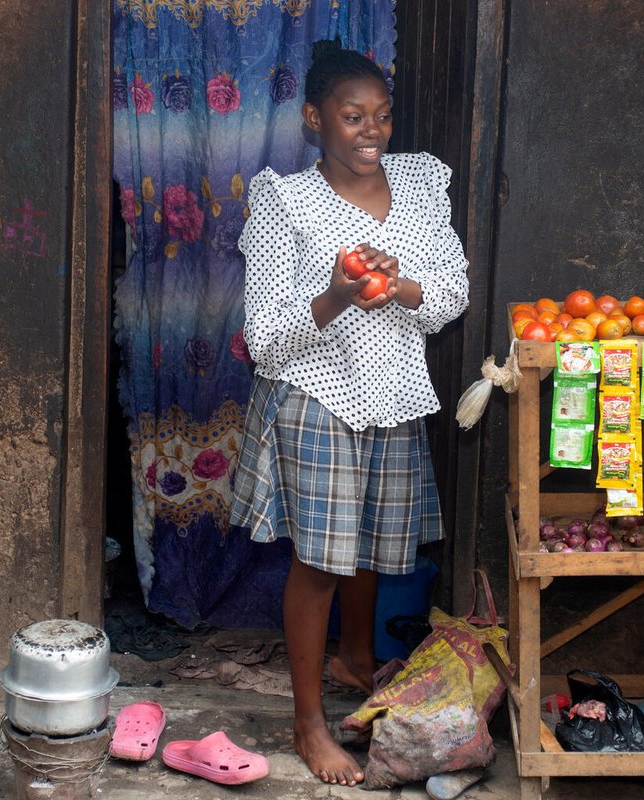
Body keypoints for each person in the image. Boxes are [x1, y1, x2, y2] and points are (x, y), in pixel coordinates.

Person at [229, 38, 469, 786]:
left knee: (370, 544)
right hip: (315, 394)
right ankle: (307, 725)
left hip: (394, 389)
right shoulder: (284, 199)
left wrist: (399, 288)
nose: (372, 130)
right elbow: (263, 337)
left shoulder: (424, 184)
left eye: (383, 116)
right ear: (314, 119)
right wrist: (336, 293)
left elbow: (453, 292)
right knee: (321, 559)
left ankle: (355, 658)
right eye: (353, 114)